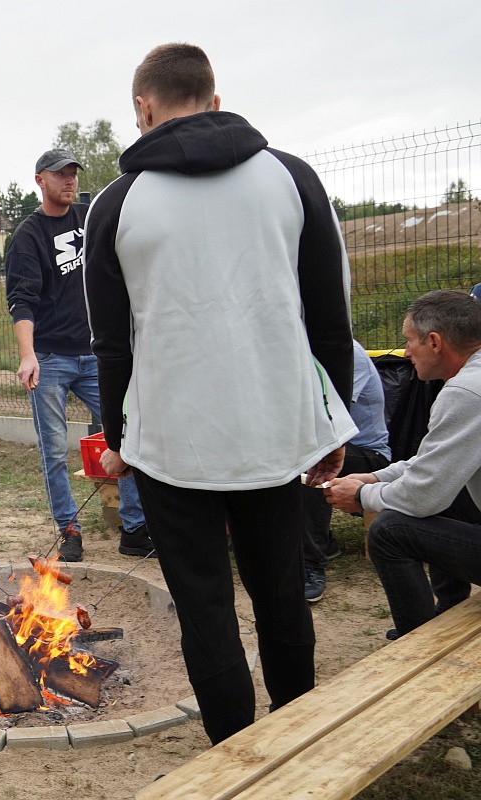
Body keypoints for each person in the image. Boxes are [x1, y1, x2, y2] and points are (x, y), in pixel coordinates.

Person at [83, 43, 357, 745]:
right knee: (282, 594)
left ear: (143, 107)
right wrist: (332, 425)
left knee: (205, 609)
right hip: (276, 431)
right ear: (214, 99)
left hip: (172, 442)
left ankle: (233, 754)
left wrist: (120, 438)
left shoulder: (116, 204)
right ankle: (295, 743)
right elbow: (330, 319)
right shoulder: (292, 178)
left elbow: (112, 344)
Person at [4, 147, 149, 562]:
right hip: (50, 359)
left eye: (73, 173)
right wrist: (28, 355)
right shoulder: (28, 237)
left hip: (97, 356)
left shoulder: (89, 218)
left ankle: (135, 528)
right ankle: (69, 531)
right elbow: (21, 301)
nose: (69, 180)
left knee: (129, 434)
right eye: (59, 174)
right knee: (54, 449)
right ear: (40, 180)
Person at [325, 289, 481, 638]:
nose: (407, 352)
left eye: (409, 340)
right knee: (450, 493)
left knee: (389, 531)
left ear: (435, 342)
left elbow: (423, 496)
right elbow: (433, 463)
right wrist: (375, 477)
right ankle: (450, 609)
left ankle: (418, 643)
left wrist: (361, 496)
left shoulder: (466, 392)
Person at [300, 340, 391, 603]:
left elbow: (327, 415)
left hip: (370, 455)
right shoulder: (299, 351)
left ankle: (311, 564)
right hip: (333, 447)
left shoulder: (346, 353)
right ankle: (324, 541)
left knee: (310, 459)